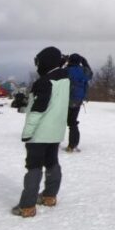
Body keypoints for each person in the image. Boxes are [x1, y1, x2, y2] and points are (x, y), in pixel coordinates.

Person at [11, 47, 71, 218]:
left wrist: (27, 133)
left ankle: (27, 206)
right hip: (56, 130)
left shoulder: (44, 82)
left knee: (34, 166)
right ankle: (49, 196)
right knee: (52, 162)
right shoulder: (65, 79)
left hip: (40, 132)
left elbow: (38, 109)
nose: (37, 66)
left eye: (38, 62)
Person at [65, 53, 92, 153]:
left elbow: (56, 75)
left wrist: (63, 62)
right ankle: (72, 145)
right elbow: (90, 74)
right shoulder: (84, 71)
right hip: (78, 100)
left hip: (65, 100)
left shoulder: (67, 70)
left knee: (59, 120)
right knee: (73, 122)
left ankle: (52, 142)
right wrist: (85, 63)